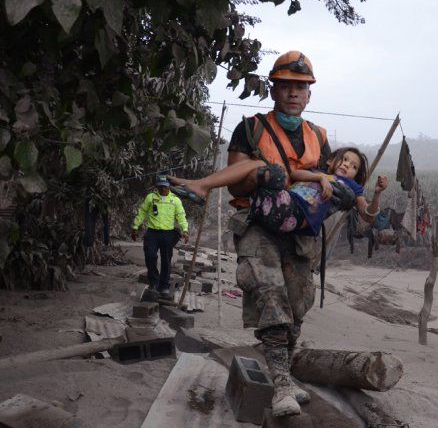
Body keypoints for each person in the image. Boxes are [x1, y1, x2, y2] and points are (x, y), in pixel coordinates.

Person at [202, 51, 385, 417]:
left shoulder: (318, 136)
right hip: (259, 224)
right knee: (270, 293)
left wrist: (353, 194)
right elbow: (234, 178)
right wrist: (262, 177)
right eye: (286, 85)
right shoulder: (250, 128)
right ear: (274, 89)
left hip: (300, 232)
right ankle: (281, 383)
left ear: (309, 95)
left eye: (301, 87)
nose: (294, 93)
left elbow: (333, 180)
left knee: (298, 302)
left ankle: (283, 371)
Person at [168, 147, 388, 235]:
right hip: (279, 204)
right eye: (345, 159)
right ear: (331, 160)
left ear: (356, 175)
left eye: (354, 166)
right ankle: (202, 186)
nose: (348, 165)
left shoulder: (351, 186)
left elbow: (367, 215)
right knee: (259, 167)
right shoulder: (318, 173)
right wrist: (321, 176)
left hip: (293, 216)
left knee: (266, 170)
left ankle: (202, 186)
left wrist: (377, 193)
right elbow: (295, 174)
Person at [131, 175, 189, 299]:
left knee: (166, 261)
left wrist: (185, 230)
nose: (162, 189)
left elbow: (181, 216)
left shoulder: (175, 200)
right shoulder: (151, 198)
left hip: (168, 234)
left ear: (169, 187)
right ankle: (153, 283)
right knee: (150, 256)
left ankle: (164, 287)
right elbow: (142, 212)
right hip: (152, 233)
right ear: (157, 186)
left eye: (165, 186)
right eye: (160, 186)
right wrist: (135, 227)